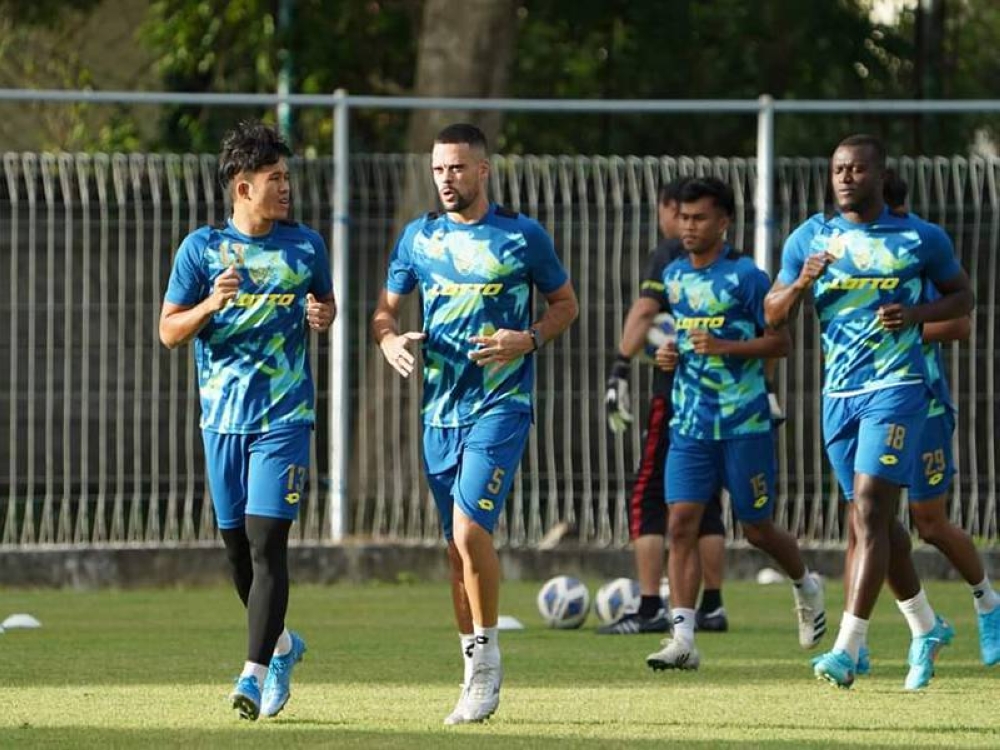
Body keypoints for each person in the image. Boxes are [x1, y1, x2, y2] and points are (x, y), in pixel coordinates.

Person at [371, 123, 578, 724]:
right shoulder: (419, 239)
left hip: (502, 405)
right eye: (439, 170)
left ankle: (488, 665)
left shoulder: (522, 236)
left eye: (457, 168)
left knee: (468, 534)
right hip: (440, 410)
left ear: (483, 170)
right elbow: (384, 310)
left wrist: (529, 338)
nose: (446, 179)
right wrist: (388, 341)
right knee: (454, 551)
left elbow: (565, 303)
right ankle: (471, 670)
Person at [765, 134, 975, 690]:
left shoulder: (919, 237)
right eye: (838, 169)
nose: (845, 177)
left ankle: (847, 646)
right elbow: (772, 313)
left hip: (898, 386)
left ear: (880, 176)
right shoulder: (812, 237)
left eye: (857, 169)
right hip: (838, 396)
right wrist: (801, 284)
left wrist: (915, 314)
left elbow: (962, 298)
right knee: (876, 520)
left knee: (867, 508)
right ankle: (925, 625)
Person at [159, 119, 335, 720]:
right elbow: (168, 332)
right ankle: (283, 645)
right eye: (274, 178)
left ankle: (253, 675)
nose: (285, 188)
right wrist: (211, 302)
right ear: (242, 187)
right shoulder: (200, 250)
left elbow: (326, 302)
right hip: (222, 424)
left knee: (267, 545)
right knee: (236, 552)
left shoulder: (306, 245)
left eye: (287, 177)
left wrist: (321, 315)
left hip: (285, 418)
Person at [644, 177, 826, 672]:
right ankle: (682, 638)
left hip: (744, 423)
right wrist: (668, 354)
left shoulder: (747, 277)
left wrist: (726, 348)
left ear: (724, 222)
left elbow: (780, 345)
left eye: (699, 218)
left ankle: (806, 584)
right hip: (691, 423)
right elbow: (681, 338)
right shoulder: (675, 276)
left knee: (757, 527)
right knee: (680, 523)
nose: (688, 226)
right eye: (683, 217)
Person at [840, 170, 1000, 673]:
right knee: (865, 520)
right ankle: (891, 635)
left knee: (928, 522)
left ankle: (988, 604)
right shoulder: (848, 251)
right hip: (868, 401)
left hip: (922, 402)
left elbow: (961, 321)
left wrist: (909, 323)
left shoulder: (916, 248)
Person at [604, 177, 730, 635]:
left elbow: (643, 313)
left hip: (675, 393)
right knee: (706, 504)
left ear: (671, 208)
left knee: (650, 497)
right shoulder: (736, 264)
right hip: (725, 396)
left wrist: (619, 369)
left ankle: (651, 603)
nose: (682, 224)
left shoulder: (671, 255)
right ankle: (712, 605)